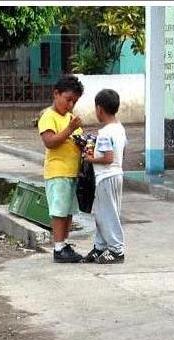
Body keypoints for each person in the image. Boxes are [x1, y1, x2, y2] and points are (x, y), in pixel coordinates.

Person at [38, 75, 84, 263]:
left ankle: (65, 243)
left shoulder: (71, 118)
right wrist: (69, 130)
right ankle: (58, 247)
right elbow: (50, 142)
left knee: (68, 210)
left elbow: (77, 139)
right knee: (59, 211)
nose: (70, 104)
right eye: (68, 99)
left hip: (72, 172)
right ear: (56, 94)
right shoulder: (48, 116)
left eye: (74, 101)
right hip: (57, 172)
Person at [81, 89, 127, 264]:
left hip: (106, 177)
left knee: (107, 215)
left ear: (99, 109)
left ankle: (116, 249)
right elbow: (122, 151)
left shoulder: (105, 133)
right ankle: (100, 247)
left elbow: (108, 158)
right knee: (103, 213)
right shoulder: (119, 129)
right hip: (116, 174)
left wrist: (90, 158)